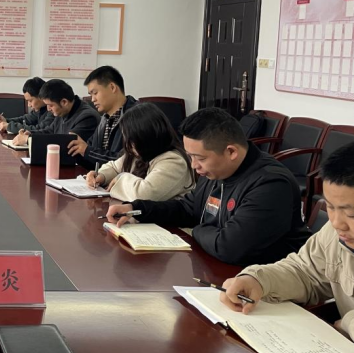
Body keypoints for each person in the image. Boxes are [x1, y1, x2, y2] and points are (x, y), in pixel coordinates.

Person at [107, 107, 311, 266]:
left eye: (200, 158)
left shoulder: (271, 184)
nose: (194, 166)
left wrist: (195, 230)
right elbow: (188, 209)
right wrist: (137, 209)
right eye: (190, 157)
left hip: (264, 287)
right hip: (217, 268)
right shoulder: (215, 172)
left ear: (231, 152)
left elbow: (230, 247)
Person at [219, 143, 354, 338]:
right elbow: (304, 272)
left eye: (351, 214)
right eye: (330, 207)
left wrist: (348, 322)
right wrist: (257, 280)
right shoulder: (334, 234)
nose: (336, 223)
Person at [85, 102, 195, 202]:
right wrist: (101, 176)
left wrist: (120, 178)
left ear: (146, 137)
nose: (128, 145)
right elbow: (114, 167)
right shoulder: (140, 153)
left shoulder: (174, 161)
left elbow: (144, 194)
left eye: (131, 139)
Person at [67, 65, 138, 166]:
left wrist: (87, 151)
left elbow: (127, 162)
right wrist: (76, 151)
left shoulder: (137, 117)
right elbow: (93, 156)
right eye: (91, 95)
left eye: (95, 93)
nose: (92, 99)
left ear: (112, 87)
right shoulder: (105, 119)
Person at [11, 79, 99, 146]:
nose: (48, 109)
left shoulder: (87, 117)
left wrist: (29, 140)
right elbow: (50, 131)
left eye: (50, 105)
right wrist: (30, 134)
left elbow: (68, 144)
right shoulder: (63, 111)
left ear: (64, 102)